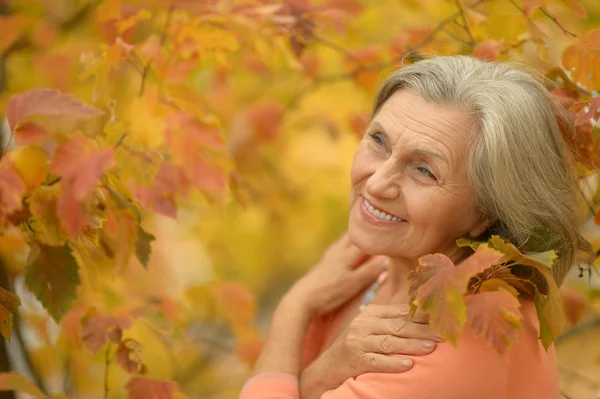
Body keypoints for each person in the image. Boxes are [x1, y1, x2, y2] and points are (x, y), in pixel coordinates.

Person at [239, 55, 586, 399]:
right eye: (378, 141)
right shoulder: (363, 261)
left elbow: (277, 378)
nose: (376, 185)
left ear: (489, 213)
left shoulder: (448, 342)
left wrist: (292, 312)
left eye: (423, 170)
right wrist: (320, 363)